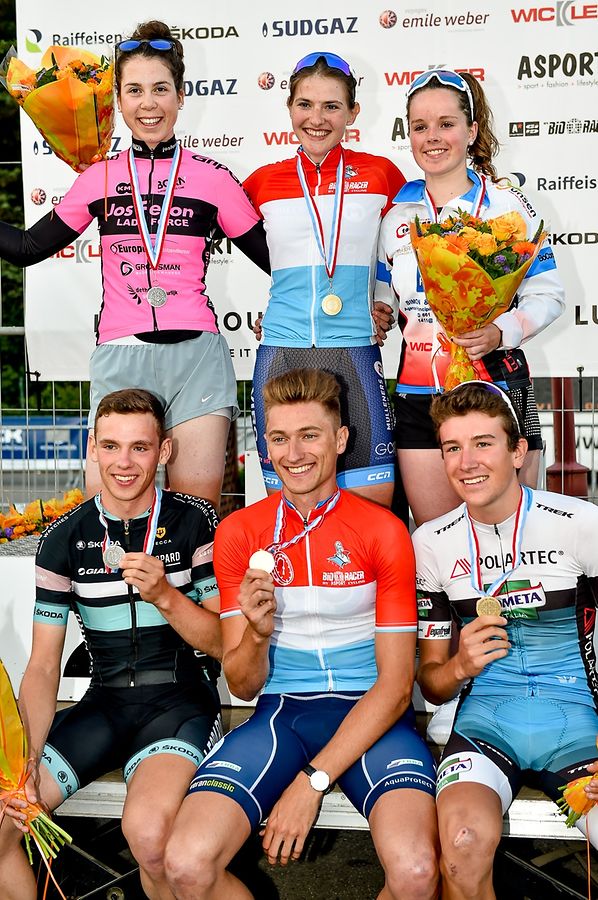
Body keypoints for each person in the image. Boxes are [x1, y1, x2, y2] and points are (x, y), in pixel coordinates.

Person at [163, 368, 438, 900]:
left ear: (341, 439)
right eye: (279, 438)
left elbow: (396, 687)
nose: (294, 454)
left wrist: (312, 782)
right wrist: (257, 634)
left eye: (309, 435)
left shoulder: (382, 530)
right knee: (186, 864)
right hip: (281, 715)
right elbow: (243, 686)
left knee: (416, 873)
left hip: (372, 713)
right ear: (265, 447)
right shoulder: (240, 532)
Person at [0, 20, 269, 508]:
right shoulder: (98, 179)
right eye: (135, 90)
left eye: (161, 89)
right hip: (121, 357)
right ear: (117, 102)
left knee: (196, 515)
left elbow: (278, 262)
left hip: (197, 361)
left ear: (181, 96)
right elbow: (26, 248)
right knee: (110, 516)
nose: (149, 104)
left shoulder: (213, 178)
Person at [0, 388, 223, 900]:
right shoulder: (64, 537)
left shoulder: (194, 520)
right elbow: (43, 667)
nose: (124, 462)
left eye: (140, 447)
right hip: (104, 705)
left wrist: (166, 596)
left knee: (148, 835)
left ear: (164, 451)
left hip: (180, 704)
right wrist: (27, 763)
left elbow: (223, 645)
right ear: (93, 449)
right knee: (5, 820)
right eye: (111, 446)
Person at [413, 381, 598, 899]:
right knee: (462, 846)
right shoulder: (431, 543)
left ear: (517, 452)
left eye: (483, 443)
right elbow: (432, 684)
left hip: (578, 725)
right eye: (453, 447)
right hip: (486, 727)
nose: (467, 462)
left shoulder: (580, 524)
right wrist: (459, 667)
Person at [375, 68, 565, 525]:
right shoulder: (395, 214)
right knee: (438, 537)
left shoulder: (508, 205)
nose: (432, 137)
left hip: (496, 381)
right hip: (420, 392)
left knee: (515, 534)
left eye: (446, 124)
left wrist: (501, 331)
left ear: (472, 130)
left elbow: (548, 293)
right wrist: (376, 314)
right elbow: (384, 297)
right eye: (420, 126)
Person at [245, 53, 406, 508]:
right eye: (305, 104)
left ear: (353, 112)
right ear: (289, 108)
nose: (316, 119)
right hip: (281, 349)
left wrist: (384, 299)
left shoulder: (382, 175)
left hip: (353, 346)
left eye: (332, 106)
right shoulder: (261, 182)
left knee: (372, 501)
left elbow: (402, 252)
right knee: (291, 498)